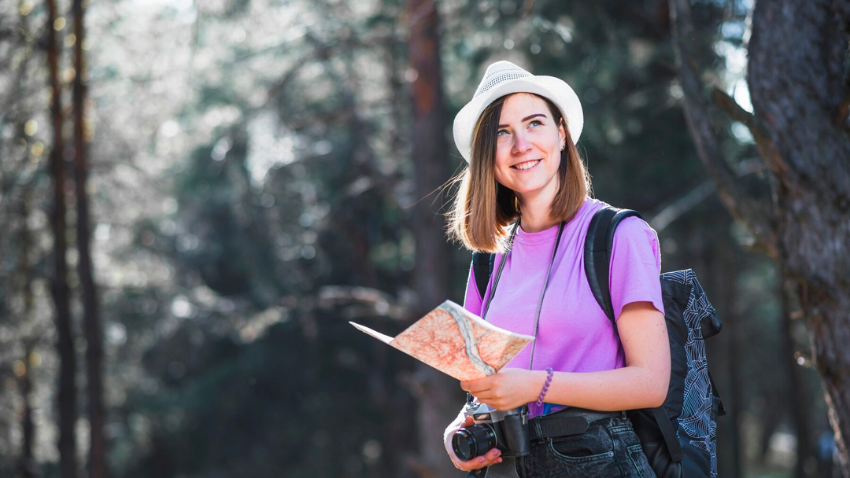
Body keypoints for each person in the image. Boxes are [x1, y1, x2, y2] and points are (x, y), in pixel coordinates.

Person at [442, 61, 671, 477]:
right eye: (501, 132)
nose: (520, 144)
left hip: (599, 462)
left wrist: (534, 385)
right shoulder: (487, 263)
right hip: (508, 467)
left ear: (561, 134)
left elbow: (651, 383)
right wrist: (462, 426)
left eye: (534, 123)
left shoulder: (619, 235)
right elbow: (485, 388)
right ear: (486, 156)